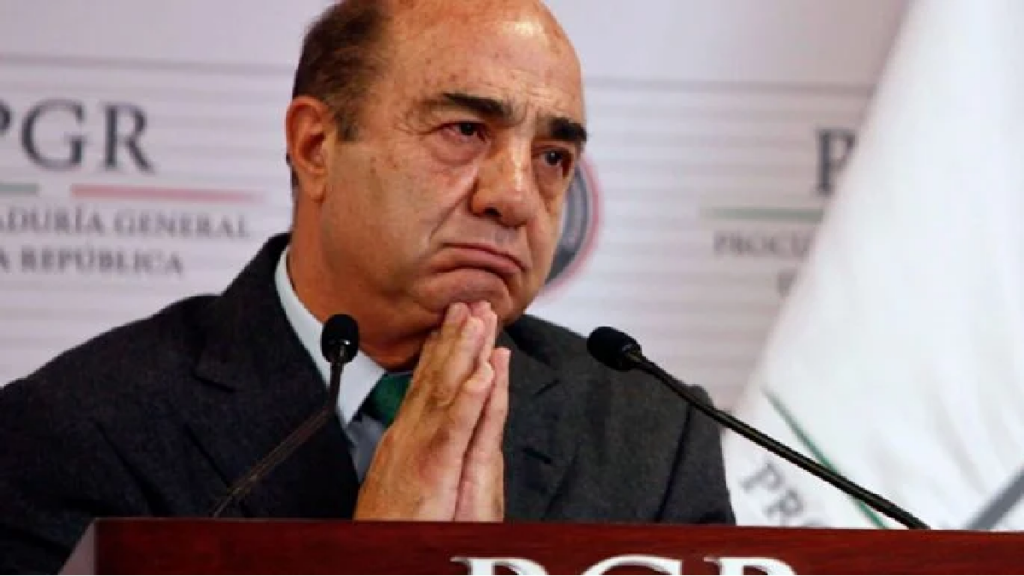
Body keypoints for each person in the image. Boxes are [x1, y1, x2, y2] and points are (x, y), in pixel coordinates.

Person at [0, 0, 735, 572]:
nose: (515, 196)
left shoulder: (650, 435)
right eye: (465, 131)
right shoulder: (79, 433)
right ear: (316, 146)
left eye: (552, 156)